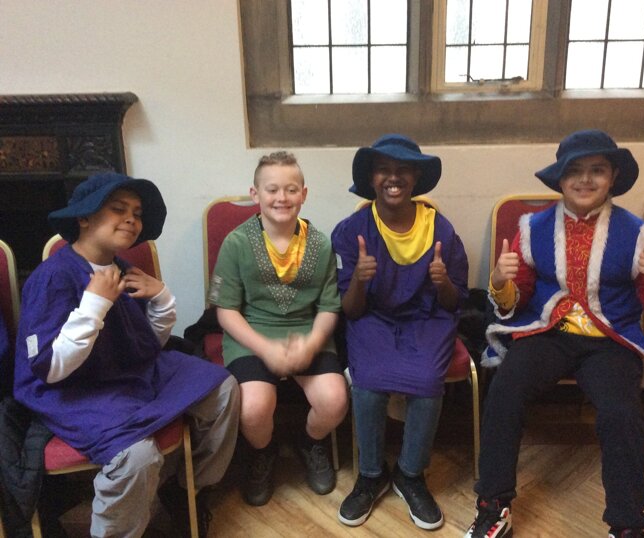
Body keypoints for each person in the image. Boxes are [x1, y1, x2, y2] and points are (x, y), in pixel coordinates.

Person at [464, 130, 644, 538]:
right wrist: (499, 282)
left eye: (597, 170)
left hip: (610, 341)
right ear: (560, 178)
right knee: (504, 390)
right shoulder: (533, 228)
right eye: (575, 171)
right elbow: (517, 300)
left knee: (621, 414)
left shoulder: (639, 233)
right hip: (547, 333)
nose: (585, 179)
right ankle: (493, 506)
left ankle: (627, 524)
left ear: (612, 177)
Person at [13, 172, 240, 538]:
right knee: (137, 456)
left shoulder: (122, 269)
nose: (132, 219)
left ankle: (186, 491)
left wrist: (161, 298)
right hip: (72, 389)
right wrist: (94, 304)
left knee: (224, 389)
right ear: (84, 217)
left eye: (136, 213)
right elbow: (49, 368)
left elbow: (146, 344)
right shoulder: (52, 277)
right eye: (118, 209)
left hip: (128, 372)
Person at [331, 134, 469, 530]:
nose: (393, 177)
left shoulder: (440, 229)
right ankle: (371, 474)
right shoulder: (352, 230)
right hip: (372, 318)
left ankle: (410, 474)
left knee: (427, 380)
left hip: (427, 319)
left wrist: (442, 282)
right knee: (368, 383)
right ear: (371, 178)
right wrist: (359, 280)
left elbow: (453, 303)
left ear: (416, 177)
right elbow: (350, 309)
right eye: (383, 170)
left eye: (403, 169)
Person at [210, 151, 348, 506]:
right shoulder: (236, 243)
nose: (281, 198)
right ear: (255, 194)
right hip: (251, 335)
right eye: (272, 189)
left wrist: (312, 344)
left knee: (334, 401)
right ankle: (264, 451)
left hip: (306, 334)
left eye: (291, 189)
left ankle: (310, 441)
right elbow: (226, 311)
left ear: (304, 194)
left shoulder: (321, 243)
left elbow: (329, 307)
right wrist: (265, 348)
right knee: (253, 409)